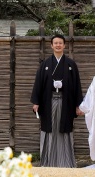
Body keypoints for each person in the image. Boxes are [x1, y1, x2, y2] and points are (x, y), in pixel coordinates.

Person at [30, 34, 83, 168]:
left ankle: (66, 161)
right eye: (56, 43)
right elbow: (38, 84)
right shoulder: (45, 64)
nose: (58, 45)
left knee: (64, 128)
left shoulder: (71, 64)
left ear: (64, 45)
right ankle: (48, 160)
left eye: (60, 43)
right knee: (49, 129)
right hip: (48, 101)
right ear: (52, 46)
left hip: (66, 102)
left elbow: (77, 85)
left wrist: (78, 105)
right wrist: (36, 102)